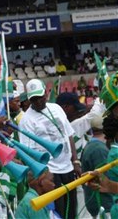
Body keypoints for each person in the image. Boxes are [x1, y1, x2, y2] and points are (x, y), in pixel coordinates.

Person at [19, 79, 80, 219]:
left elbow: (69, 134)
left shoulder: (56, 108)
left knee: (72, 212)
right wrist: (44, 176)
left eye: (40, 97)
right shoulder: (26, 120)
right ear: (29, 99)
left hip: (68, 168)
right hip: (51, 173)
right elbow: (30, 153)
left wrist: (75, 161)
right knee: (58, 212)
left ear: (46, 93)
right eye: (34, 99)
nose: (39, 102)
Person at [81, 116, 113, 217]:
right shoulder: (99, 150)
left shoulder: (90, 146)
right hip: (104, 204)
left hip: (98, 203)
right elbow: (106, 179)